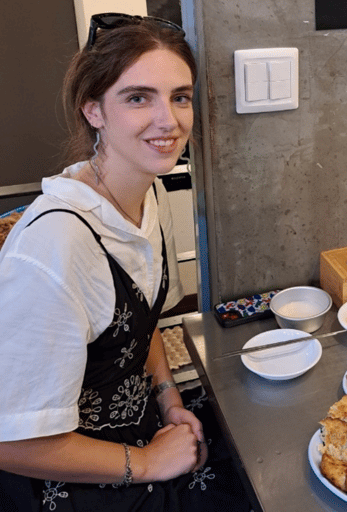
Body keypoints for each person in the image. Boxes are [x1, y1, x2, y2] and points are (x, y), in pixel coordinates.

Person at [0, 14, 252, 511]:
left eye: (179, 96)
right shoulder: (53, 248)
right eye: (138, 98)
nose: (170, 121)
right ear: (93, 110)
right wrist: (151, 464)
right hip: (67, 471)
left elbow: (141, 320)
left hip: (141, 421)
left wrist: (169, 398)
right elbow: (11, 441)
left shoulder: (145, 195)